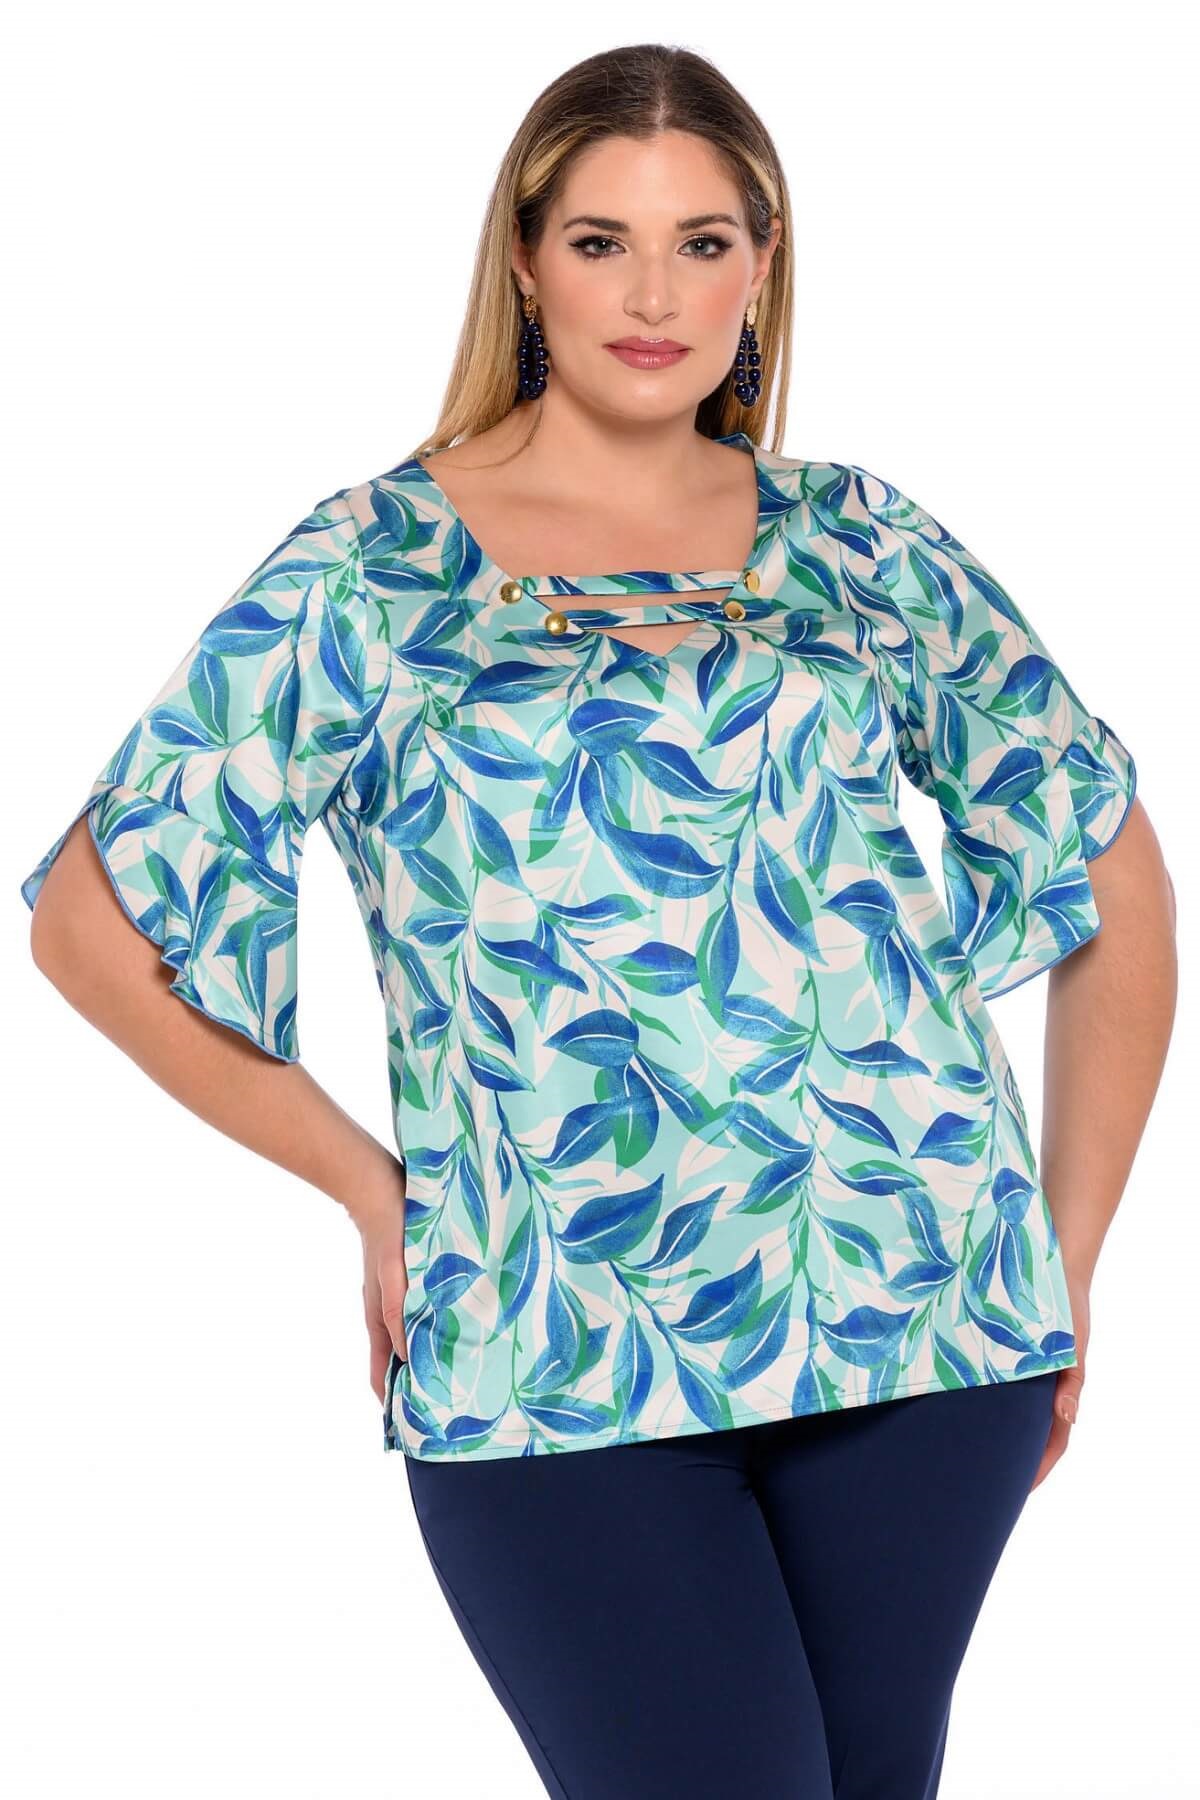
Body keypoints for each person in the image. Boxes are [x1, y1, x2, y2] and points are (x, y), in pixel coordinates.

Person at [22, 40, 1176, 1800]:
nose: (654, 296)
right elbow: (92, 920)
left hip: (925, 1324)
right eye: (601, 242)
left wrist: (1066, 1261)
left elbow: (1114, 876)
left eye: (703, 243)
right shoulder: (370, 569)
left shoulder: (859, 545)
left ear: (762, 267)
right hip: (549, 1348)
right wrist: (369, 1183)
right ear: (523, 260)